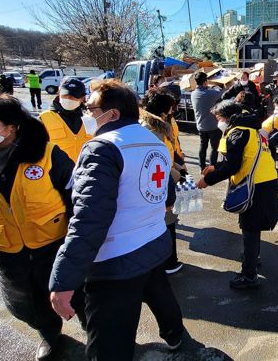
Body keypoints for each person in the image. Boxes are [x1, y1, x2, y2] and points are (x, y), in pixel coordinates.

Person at [49, 79, 184, 360]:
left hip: (115, 258)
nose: (86, 113)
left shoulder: (102, 148)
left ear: (111, 114)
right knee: (160, 294)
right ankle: (175, 336)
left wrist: (64, 280)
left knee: (109, 342)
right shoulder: (154, 140)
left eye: (91, 108)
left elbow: (88, 218)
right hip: (154, 241)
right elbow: (166, 192)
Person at [0, 92, 84, 361]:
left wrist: (83, 239)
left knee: (78, 294)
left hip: (55, 241)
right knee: (25, 302)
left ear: (11, 127)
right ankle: (48, 332)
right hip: (7, 246)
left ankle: (97, 334)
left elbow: (77, 196)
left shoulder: (45, 154)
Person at [197, 100, 278, 289]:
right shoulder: (251, 130)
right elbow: (240, 159)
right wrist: (215, 167)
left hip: (255, 184)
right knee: (254, 226)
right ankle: (252, 258)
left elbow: (233, 166)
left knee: (249, 227)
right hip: (266, 180)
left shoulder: (237, 133)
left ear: (227, 117)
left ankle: (249, 276)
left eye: (219, 118)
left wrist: (207, 181)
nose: (218, 122)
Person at [140, 91, 185, 274]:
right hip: (160, 181)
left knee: (167, 221)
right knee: (166, 221)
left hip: (165, 175)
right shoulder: (152, 129)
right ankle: (167, 262)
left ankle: (166, 261)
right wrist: (174, 169)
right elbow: (157, 157)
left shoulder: (155, 125)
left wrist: (177, 164)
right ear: (164, 109)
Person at [40, 78, 91, 163]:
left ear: (82, 98)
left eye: (73, 96)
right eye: (65, 95)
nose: (68, 98)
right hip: (56, 173)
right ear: (59, 93)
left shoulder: (91, 118)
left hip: (84, 171)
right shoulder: (44, 118)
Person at [191, 71, 222, 172]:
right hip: (213, 126)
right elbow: (220, 92)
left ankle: (202, 167)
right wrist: (214, 87)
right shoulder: (210, 93)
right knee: (214, 148)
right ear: (205, 82)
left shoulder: (193, 94)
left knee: (203, 146)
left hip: (201, 126)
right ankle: (211, 168)